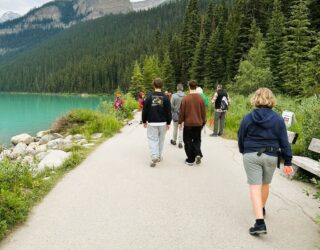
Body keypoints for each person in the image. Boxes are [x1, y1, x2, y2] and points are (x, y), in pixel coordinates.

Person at [238, 88, 293, 236]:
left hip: (252, 154)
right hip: (271, 155)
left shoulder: (248, 117)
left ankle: (259, 222)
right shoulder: (278, 119)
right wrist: (288, 161)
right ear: (271, 100)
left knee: (255, 186)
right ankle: (261, 208)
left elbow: (241, 137)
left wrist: (244, 151)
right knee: (265, 184)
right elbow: (284, 142)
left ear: (255, 99)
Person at [142, 78, 172, 167]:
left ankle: (154, 155)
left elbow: (145, 110)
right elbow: (168, 111)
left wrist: (144, 121)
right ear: (161, 85)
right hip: (163, 123)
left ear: (153, 85)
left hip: (152, 122)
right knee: (161, 140)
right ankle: (158, 156)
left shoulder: (149, 97)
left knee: (152, 139)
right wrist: (169, 122)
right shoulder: (166, 98)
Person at [178, 80, 206, 166]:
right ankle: (197, 154)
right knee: (197, 140)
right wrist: (204, 122)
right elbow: (203, 112)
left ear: (189, 87)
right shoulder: (201, 98)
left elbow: (182, 112)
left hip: (188, 124)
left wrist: (180, 122)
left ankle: (190, 159)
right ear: (196, 87)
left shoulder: (185, 98)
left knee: (187, 141)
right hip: (198, 123)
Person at [170, 84, 185, 149]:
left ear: (177, 88)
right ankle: (180, 142)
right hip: (184, 115)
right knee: (181, 128)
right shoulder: (185, 96)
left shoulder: (174, 95)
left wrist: (176, 110)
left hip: (176, 114)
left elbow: (171, 105)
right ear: (182, 89)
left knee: (175, 128)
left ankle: (174, 140)